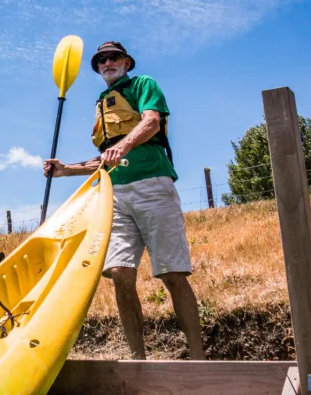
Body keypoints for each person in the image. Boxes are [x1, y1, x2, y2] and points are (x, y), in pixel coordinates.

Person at [43, 41, 204, 360]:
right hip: (114, 196)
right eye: (101, 60)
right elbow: (107, 156)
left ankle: (199, 357)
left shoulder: (144, 84)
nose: (107, 62)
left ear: (126, 62)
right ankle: (138, 359)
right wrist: (65, 170)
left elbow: (151, 122)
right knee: (119, 273)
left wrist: (125, 146)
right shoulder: (102, 103)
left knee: (172, 274)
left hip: (153, 185)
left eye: (113, 57)